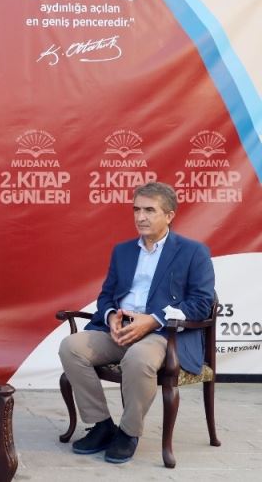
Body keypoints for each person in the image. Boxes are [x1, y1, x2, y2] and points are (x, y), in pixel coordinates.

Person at [58, 181, 215, 464]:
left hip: (164, 334)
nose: (140, 217)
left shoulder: (193, 252)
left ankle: (128, 432)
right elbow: (106, 295)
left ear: (169, 215)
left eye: (149, 210)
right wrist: (111, 317)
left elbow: (201, 303)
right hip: (120, 330)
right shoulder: (123, 251)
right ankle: (102, 425)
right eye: (136, 210)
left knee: (138, 359)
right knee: (71, 347)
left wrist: (153, 320)